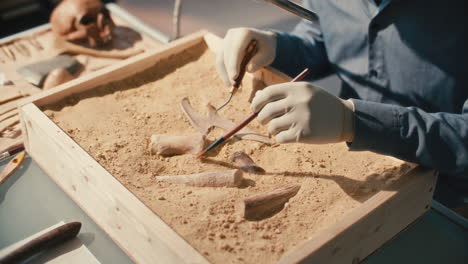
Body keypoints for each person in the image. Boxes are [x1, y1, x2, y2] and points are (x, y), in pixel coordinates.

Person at [216, 0, 468, 214]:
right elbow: (325, 38)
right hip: (356, 179)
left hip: (444, 199)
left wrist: (355, 121)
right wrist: (276, 48)